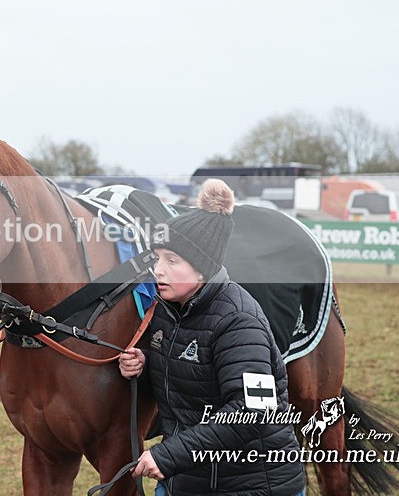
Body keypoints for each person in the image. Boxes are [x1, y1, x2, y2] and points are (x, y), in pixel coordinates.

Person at [119, 179, 305, 496]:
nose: (158, 271)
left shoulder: (239, 320)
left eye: (172, 261)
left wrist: (168, 455)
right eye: (157, 258)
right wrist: (144, 366)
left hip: (253, 486)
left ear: (202, 269)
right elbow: (189, 391)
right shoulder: (165, 311)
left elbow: (254, 411)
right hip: (186, 480)